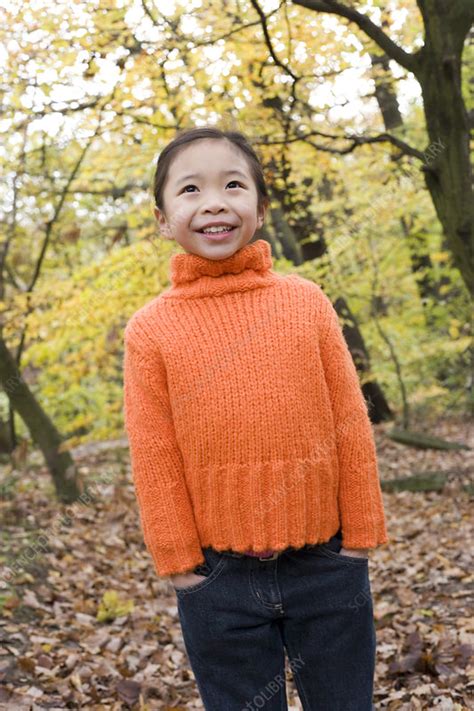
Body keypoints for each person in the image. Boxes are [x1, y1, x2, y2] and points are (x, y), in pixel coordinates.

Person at [123, 125, 389, 711]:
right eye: (190, 189)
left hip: (326, 564)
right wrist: (178, 560)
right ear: (164, 219)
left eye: (233, 185)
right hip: (217, 580)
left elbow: (349, 416)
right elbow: (154, 450)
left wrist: (361, 535)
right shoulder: (151, 329)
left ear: (261, 209)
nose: (214, 201)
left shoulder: (305, 303)